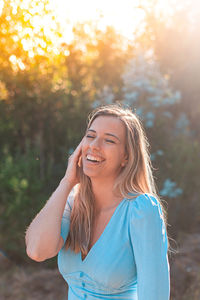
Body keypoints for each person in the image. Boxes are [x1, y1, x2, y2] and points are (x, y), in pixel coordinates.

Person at [25, 104, 170, 300]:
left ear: (126, 157)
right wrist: (66, 182)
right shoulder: (72, 201)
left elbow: (155, 295)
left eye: (109, 140)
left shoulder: (142, 209)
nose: (94, 145)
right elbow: (37, 251)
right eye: (90, 136)